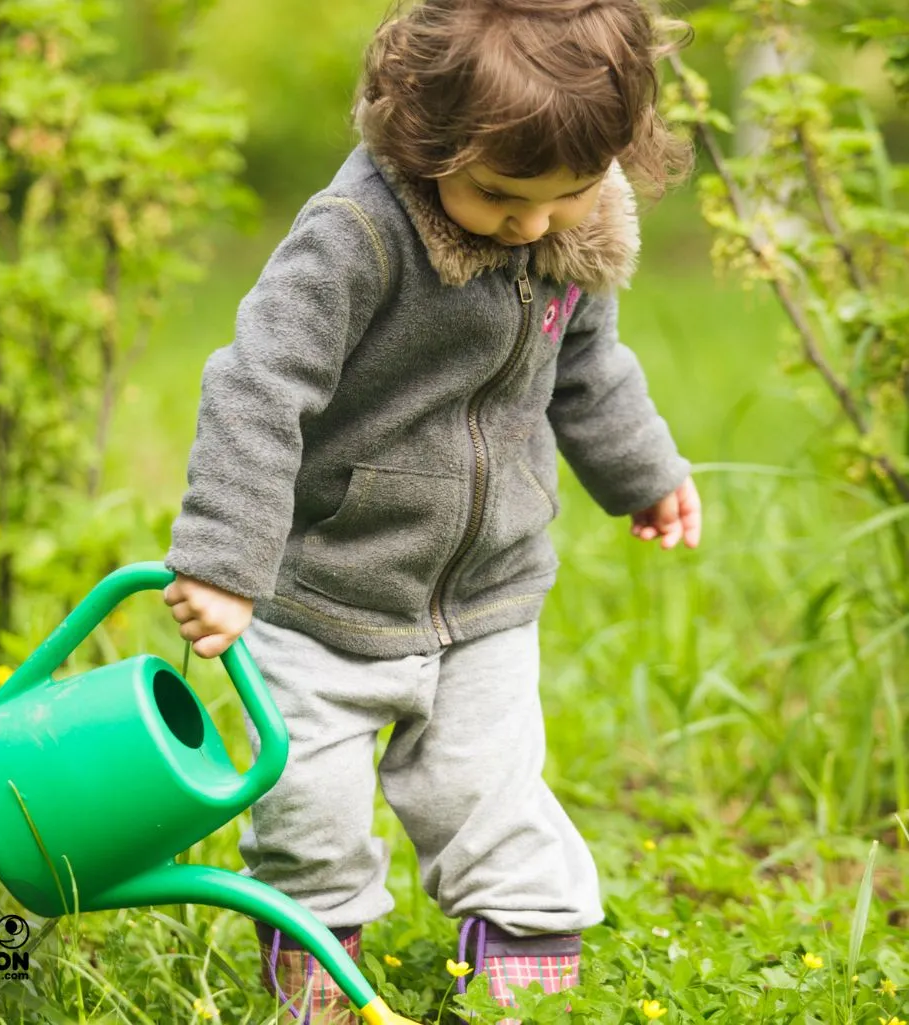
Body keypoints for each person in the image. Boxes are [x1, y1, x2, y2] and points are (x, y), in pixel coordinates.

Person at [163, 0, 702, 1021]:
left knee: (487, 789)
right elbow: (256, 385)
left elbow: (583, 364)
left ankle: (524, 951)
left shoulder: (568, 230)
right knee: (307, 808)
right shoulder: (357, 234)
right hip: (326, 586)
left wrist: (643, 470)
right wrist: (225, 561)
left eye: (569, 195)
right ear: (421, 132)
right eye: (502, 195)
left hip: (485, 595)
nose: (533, 225)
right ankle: (318, 953)